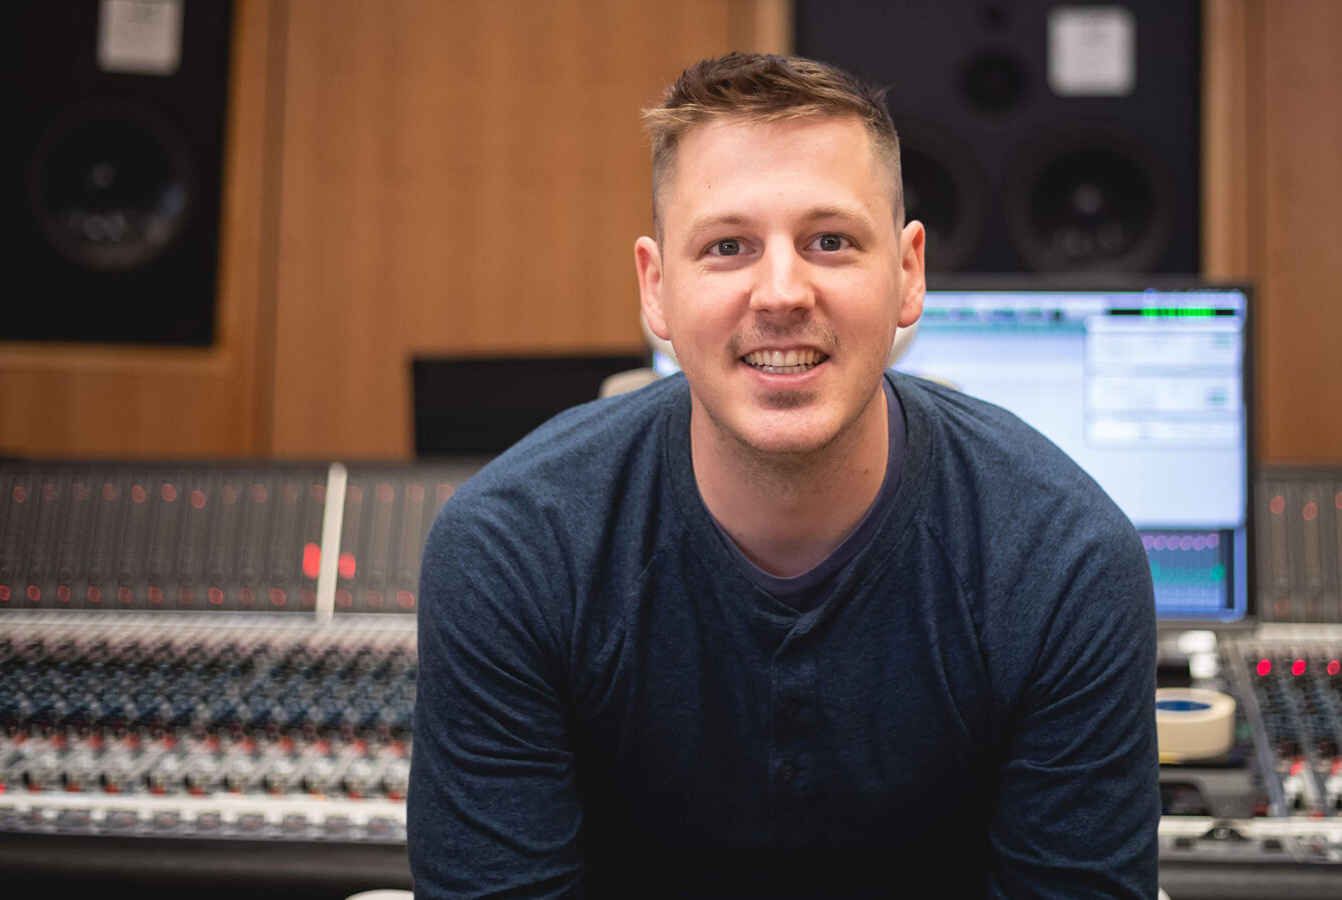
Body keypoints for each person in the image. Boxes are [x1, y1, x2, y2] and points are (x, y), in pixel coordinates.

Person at [408, 52, 1159, 898]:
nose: (781, 292)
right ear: (656, 290)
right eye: (727, 246)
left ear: (908, 273)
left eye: (829, 241)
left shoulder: (1064, 562)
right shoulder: (512, 552)